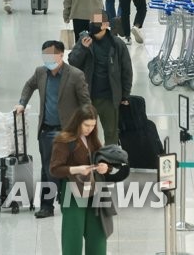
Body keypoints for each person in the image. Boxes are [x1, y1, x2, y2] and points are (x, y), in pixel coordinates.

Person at [15, 40, 92, 219]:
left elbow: (85, 102)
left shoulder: (75, 75)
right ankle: (46, 206)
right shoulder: (40, 73)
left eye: (51, 55)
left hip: (67, 131)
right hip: (47, 130)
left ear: (61, 55)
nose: (47, 59)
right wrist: (22, 103)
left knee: (69, 168)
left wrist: (86, 126)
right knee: (48, 169)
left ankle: (74, 200)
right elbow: (29, 86)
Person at [50, 105, 129, 254]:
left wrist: (106, 168)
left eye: (93, 126)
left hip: (95, 191)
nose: (89, 129)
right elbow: (55, 169)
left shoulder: (92, 139)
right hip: (72, 192)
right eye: (86, 125)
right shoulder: (63, 140)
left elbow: (102, 159)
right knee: (73, 237)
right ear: (77, 122)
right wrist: (77, 169)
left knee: (98, 235)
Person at [68, 13, 132, 146]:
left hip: (110, 98)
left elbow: (127, 71)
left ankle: (108, 163)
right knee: (87, 134)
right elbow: (72, 62)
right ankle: (90, 163)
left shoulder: (117, 44)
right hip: (88, 98)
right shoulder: (84, 41)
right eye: (91, 22)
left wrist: (125, 94)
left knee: (111, 133)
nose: (92, 25)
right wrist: (82, 48)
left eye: (96, 23)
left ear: (105, 25)